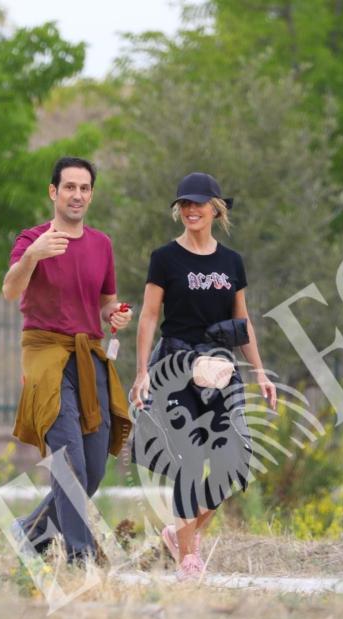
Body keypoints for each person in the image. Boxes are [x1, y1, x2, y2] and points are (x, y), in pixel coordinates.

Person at [130, 172, 276, 580]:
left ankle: (182, 533)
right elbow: (149, 317)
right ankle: (189, 559)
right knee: (190, 457)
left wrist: (260, 371)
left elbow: (242, 320)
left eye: (199, 203)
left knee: (235, 460)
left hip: (221, 369)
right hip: (176, 368)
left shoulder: (231, 262)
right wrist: (142, 372)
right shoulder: (165, 258)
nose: (191, 210)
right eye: (184, 204)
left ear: (216, 208)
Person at [2, 156, 133, 564]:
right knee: (69, 461)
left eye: (85, 188)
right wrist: (33, 257)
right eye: (70, 187)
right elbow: (10, 290)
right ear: (53, 192)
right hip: (45, 354)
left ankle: (29, 530)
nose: (77, 195)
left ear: (91, 194)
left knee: (93, 467)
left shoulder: (102, 244)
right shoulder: (32, 239)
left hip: (88, 353)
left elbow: (105, 302)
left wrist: (115, 315)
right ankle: (80, 555)